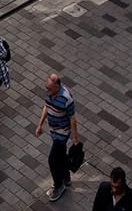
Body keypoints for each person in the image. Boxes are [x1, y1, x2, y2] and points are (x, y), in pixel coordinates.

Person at [36, 72, 78, 203]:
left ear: (57, 86)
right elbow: (46, 106)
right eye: (47, 88)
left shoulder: (66, 98)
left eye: (49, 88)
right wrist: (40, 124)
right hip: (54, 131)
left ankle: (59, 186)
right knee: (61, 156)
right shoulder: (50, 93)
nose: (47, 91)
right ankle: (66, 178)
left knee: (52, 160)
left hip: (62, 133)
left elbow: (72, 118)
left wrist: (74, 137)